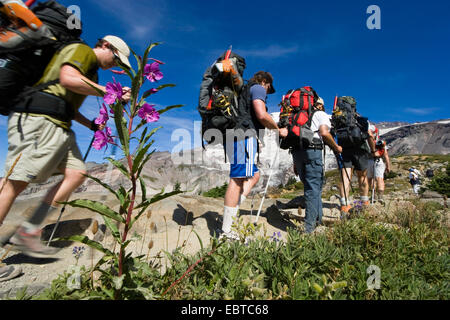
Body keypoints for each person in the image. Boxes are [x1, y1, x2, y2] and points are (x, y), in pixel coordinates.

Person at [0, 35, 132, 259]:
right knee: (16, 183)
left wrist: (91, 125)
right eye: (117, 60)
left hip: (60, 124)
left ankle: (28, 232)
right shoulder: (82, 51)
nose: (116, 66)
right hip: (40, 120)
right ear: (106, 46)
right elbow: (67, 78)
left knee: (77, 173)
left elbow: (68, 105)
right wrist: (111, 92)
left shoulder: (92, 72)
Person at [219, 71, 288, 239]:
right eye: (268, 86)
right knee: (237, 179)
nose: (268, 90)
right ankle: (227, 232)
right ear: (265, 81)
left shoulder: (242, 91)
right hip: (244, 134)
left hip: (234, 134)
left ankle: (232, 212)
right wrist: (278, 129)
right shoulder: (257, 88)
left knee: (254, 175)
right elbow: (261, 114)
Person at [291, 97, 342, 233]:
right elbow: (324, 133)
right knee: (313, 189)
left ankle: (318, 220)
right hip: (312, 150)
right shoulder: (320, 114)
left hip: (297, 153)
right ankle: (309, 228)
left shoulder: (297, 116)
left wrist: (295, 163)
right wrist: (336, 147)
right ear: (320, 105)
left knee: (313, 188)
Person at [336, 118, 376, 218]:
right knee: (362, 176)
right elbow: (370, 135)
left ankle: (344, 205)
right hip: (360, 150)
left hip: (345, 150)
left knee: (345, 177)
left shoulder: (340, 120)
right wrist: (373, 150)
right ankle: (364, 201)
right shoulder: (361, 120)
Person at [367, 123, 391, 204]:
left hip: (369, 161)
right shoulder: (381, 143)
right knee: (379, 178)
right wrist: (388, 166)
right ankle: (380, 196)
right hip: (379, 161)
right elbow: (386, 155)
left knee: (370, 179)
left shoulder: (367, 141)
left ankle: (373, 196)